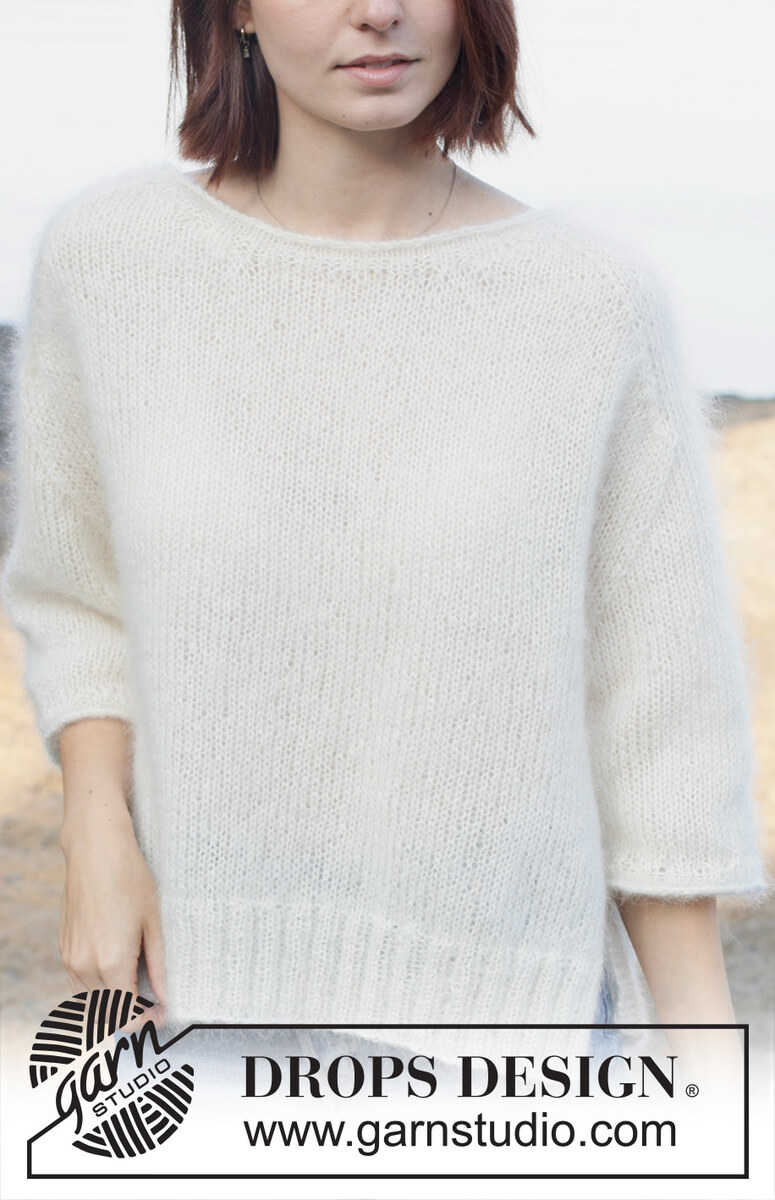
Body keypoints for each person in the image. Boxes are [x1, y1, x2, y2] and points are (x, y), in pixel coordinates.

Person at [1, 0, 769, 1080]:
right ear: (237, 11)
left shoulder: (590, 304)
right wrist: (92, 827)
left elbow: (655, 710)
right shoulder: (112, 259)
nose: (379, 12)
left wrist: (708, 1068)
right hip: (192, 1010)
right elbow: (79, 592)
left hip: (510, 1041)